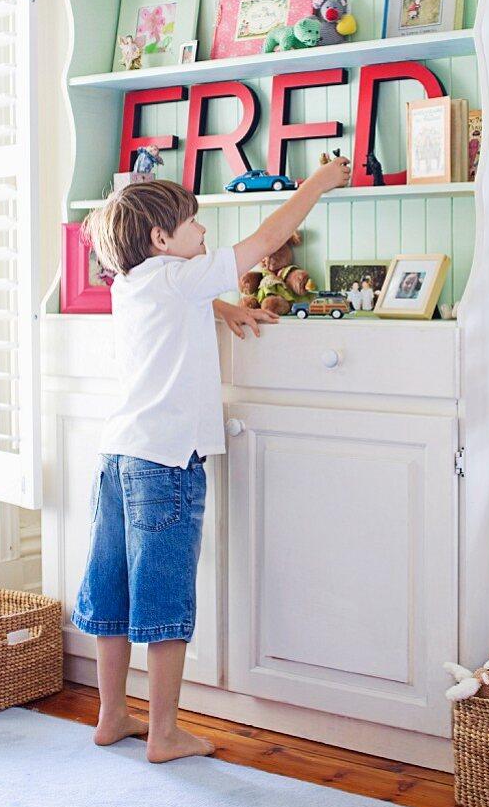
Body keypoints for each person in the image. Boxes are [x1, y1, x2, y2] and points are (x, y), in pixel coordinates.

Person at [72, 157, 351, 763]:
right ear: (161, 239)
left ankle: (112, 715)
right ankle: (164, 733)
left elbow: (173, 313)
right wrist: (318, 185)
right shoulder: (181, 276)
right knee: (165, 599)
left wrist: (224, 310)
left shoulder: (132, 283)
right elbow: (268, 240)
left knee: (113, 593)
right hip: (166, 463)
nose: (204, 234)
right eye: (195, 224)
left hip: (117, 455)